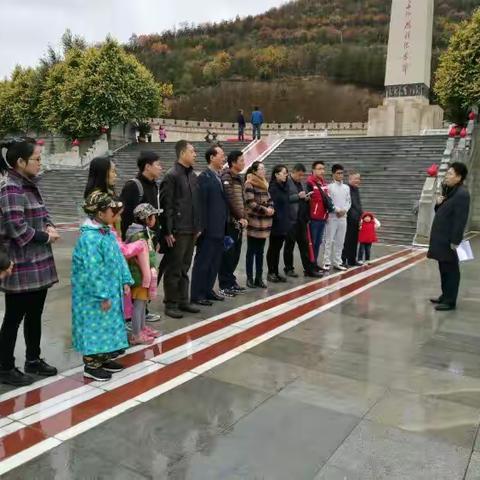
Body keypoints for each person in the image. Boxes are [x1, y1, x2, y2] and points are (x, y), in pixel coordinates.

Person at [0, 138, 60, 387]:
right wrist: (46, 236)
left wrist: (50, 225)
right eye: (36, 159)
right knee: (14, 316)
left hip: (38, 262)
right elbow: (17, 228)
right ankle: (4, 366)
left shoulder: (29, 185)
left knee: (35, 313)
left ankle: (33, 359)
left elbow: (44, 213)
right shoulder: (10, 188)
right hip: (22, 264)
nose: (39, 163)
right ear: (20, 161)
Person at [72, 192, 133, 381]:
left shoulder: (105, 233)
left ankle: (104, 357)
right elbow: (93, 270)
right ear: (100, 214)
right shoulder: (90, 239)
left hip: (110, 289)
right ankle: (91, 364)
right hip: (94, 295)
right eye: (112, 210)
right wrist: (102, 295)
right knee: (94, 326)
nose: (116, 214)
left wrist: (125, 279)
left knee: (107, 325)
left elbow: (119, 258)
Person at [160, 140, 202, 319]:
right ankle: (170, 303)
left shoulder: (192, 176)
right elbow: (166, 205)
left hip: (191, 228)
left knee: (185, 266)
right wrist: (168, 231)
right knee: (174, 268)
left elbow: (196, 204)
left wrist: (198, 226)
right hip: (178, 229)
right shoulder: (172, 175)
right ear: (183, 153)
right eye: (192, 151)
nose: (195, 154)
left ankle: (183, 300)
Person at [120, 151, 163, 323]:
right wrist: (126, 245)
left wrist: (156, 238)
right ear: (147, 166)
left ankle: (143, 311)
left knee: (148, 276)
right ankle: (133, 316)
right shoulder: (133, 186)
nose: (161, 167)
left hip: (149, 240)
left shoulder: (154, 185)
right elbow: (124, 217)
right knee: (137, 277)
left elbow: (156, 214)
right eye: (158, 164)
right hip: (135, 243)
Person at [427, 162, 470, 311]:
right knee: (443, 269)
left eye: (450, 174)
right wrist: (439, 203)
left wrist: (455, 241)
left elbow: (460, 220)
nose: (447, 176)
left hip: (449, 241)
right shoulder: (451, 191)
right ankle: (445, 295)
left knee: (451, 271)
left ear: (459, 177)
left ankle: (450, 301)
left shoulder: (462, 194)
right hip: (442, 239)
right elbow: (442, 212)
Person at [191, 146, 228, 306]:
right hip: (208, 229)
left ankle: (208, 289)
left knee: (214, 262)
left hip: (219, 228)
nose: (224, 158)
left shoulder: (218, 176)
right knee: (203, 262)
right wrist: (200, 227)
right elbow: (200, 205)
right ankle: (197, 294)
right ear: (212, 157)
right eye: (221, 155)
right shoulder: (204, 177)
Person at [125, 204, 161, 343]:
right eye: (153, 217)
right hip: (139, 275)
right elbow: (134, 256)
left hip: (145, 274)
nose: (155, 219)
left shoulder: (145, 232)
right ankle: (136, 334)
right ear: (146, 219)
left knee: (143, 303)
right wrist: (145, 271)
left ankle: (142, 328)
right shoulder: (138, 235)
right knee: (139, 305)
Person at [284, 163, 322, 278]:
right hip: (291, 219)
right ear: (294, 172)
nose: (301, 178)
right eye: (299, 175)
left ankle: (308, 269)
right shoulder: (286, 183)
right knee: (289, 245)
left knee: (305, 245)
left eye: (302, 176)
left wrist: (306, 198)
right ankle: (289, 268)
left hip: (302, 219)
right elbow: (283, 199)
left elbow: (301, 197)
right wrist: (297, 197)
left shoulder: (301, 183)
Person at [218, 150, 248, 295]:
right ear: (233, 162)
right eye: (241, 160)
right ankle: (224, 285)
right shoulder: (226, 177)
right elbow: (230, 199)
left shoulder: (239, 178)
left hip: (239, 223)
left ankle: (231, 281)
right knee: (227, 255)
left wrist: (245, 217)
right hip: (229, 223)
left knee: (235, 254)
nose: (243, 163)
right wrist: (240, 217)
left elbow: (242, 200)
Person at [244, 161, 274, 288]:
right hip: (255, 221)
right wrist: (265, 210)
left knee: (261, 251)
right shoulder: (249, 183)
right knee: (251, 251)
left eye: (264, 168)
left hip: (265, 223)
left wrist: (272, 207)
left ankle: (259, 278)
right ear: (255, 171)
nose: (264, 171)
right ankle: (249, 278)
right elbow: (250, 202)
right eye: (261, 169)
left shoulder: (265, 183)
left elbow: (270, 199)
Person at [306, 161, 334, 270]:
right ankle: (309, 266)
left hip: (322, 217)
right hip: (313, 218)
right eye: (319, 168)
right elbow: (307, 201)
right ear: (313, 170)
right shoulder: (309, 182)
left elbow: (326, 199)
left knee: (318, 242)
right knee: (312, 243)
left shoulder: (323, 183)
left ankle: (314, 264)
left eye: (323, 169)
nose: (322, 171)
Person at [323, 164, 351, 271]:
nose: (340, 175)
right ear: (333, 174)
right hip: (332, 217)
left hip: (343, 217)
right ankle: (326, 262)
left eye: (342, 173)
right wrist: (337, 210)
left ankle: (338, 261)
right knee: (329, 240)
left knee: (340, 240)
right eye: (338, 173)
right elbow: (328, 201)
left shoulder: (346, 188)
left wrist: (344, 210)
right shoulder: (329, 187)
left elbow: (349, 201)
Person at [267, 165, 290, 283]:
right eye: (284, 173)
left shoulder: (284, 187)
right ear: (276, 174)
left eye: (286, 173)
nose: (286, 175)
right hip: (276, 223)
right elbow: (272, 205)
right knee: (273, 248)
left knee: (278, 248)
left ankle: (275, 271)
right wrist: (278, 219)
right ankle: (270, 272)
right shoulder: (273, 188)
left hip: (284, 222)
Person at [342, 172, 363, 267]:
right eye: (355, 179)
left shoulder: (356, 189)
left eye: (358, 179)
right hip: (349, 218)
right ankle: (343, 260)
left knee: (354, 240)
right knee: (347, 240)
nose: (357, 181)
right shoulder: (347, 189)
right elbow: (351, 204)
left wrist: (361, 215)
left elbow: (358, 204)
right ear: (350, 179)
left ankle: (351, 260)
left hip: (356, 219)